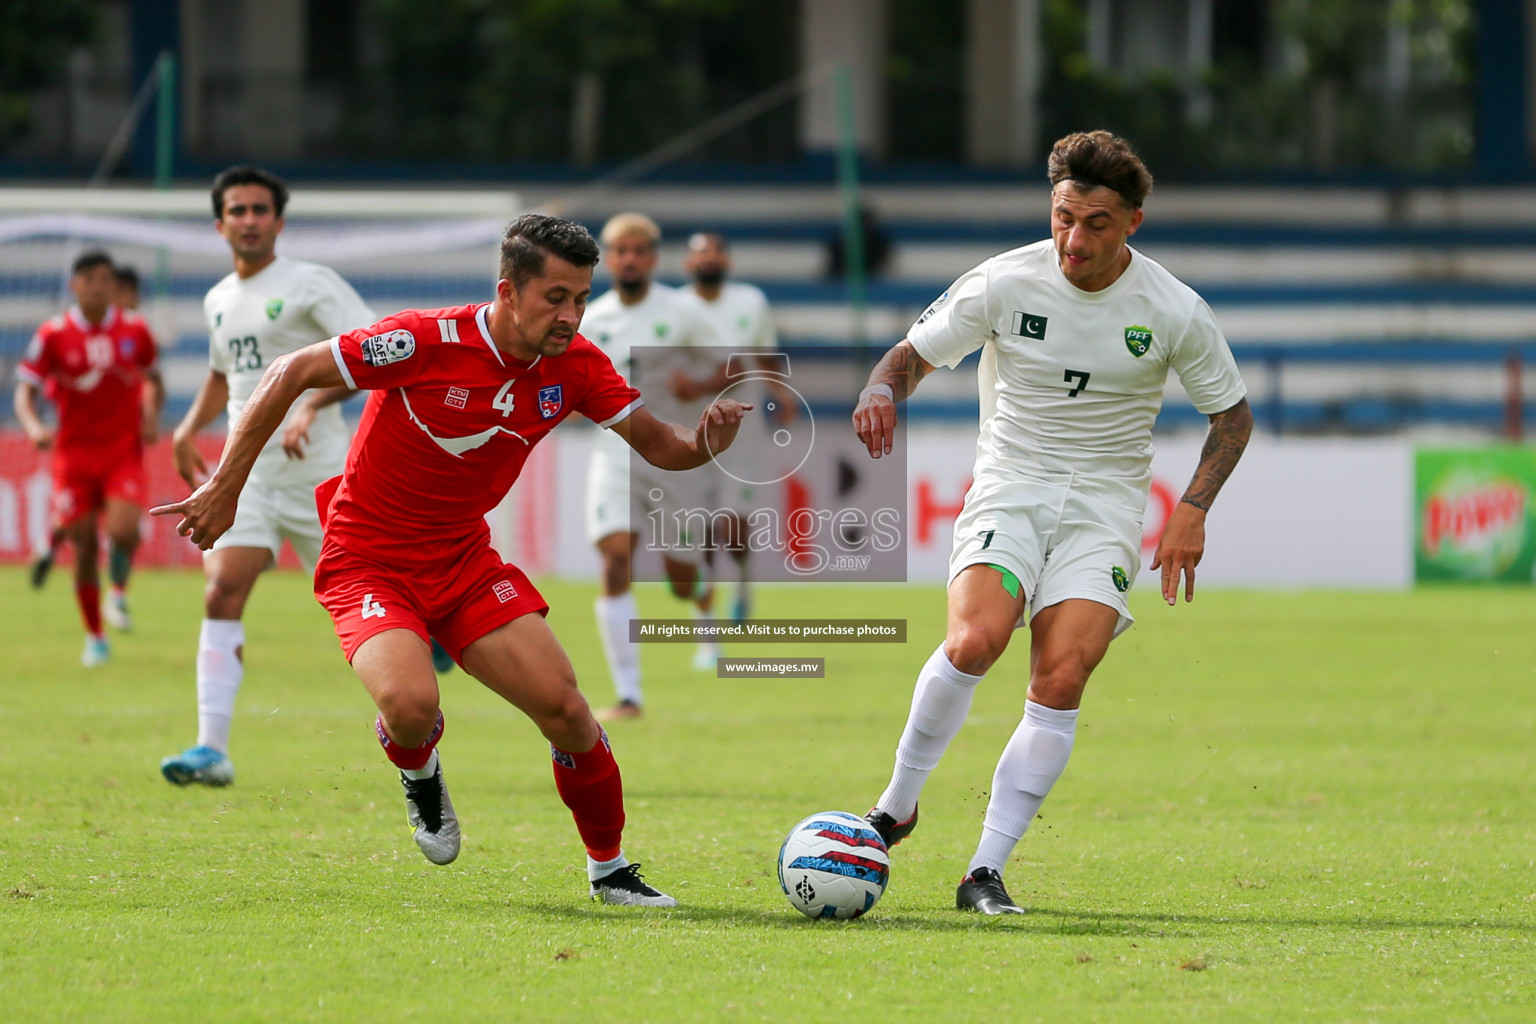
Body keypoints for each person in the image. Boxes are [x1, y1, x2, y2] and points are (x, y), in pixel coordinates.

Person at [152, 213, 751, 906]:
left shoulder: (577, 365)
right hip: (366, 558)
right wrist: (225, 486)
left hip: (463, 560)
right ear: (509, 290)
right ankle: (419, 770)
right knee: (410, 705)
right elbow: (291, 371)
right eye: (555, 297)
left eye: (582, 298)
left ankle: (610, 869)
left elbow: (662, 445)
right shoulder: (423, 339)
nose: (571, 315)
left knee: (566, 710)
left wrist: (705, 440)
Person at [852, 131, 1252, 915]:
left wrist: (1192, 510)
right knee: (974, 641)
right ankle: (896, 807)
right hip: (1011, 488)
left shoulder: (1174, 310)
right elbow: (909, 356)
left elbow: (1231, 418)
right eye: (1065, 216)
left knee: (1061, 677)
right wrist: (877, 392)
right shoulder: (1004, 281)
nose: (1075, 238)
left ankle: (985, 872)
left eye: (1097, 223)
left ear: (1133, 222)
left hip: (1104, 509)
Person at [158, 166, 379, 787]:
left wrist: (310, 402)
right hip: (247, 478)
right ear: (220, 223)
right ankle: (210, 748)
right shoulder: (218, 299)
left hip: (322, 475)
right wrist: (185, 429)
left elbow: (369, 354)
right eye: (238, 210)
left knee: (371, 600)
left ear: (278, 222)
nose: (249, 220)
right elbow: (221, 376)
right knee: (222, 588)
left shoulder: (311, 284)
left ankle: (429, 646)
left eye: (260, 210)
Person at [582, 213, 724, 719]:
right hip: (614, 454)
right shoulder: (593, 319)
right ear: (609, 258)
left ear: (653, 258)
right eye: (621, 251)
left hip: (671, 458)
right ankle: (629, 695)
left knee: (680, 578)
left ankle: (704, 607)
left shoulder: (682, 313)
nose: (631, 259)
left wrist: (700, 387)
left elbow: (732, 364)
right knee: (616, 557)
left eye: (640, 250)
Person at [16, 249, 164, 666]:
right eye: (90, 279)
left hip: (122, 452)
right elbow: (26, 390)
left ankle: (116, 592)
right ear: (75, 285)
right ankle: (95, 636)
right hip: (73, 457)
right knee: (82, 548)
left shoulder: (135, 329)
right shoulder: (52, 334)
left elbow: (153, 379)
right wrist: (32, 428)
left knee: (124, 531)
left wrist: (150, 415)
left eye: (106, 279)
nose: (99, 286)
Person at [681, 231, 785, 622]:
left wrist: (783, 396)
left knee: (732, 524)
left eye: (716, 252)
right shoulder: (674, 308)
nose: (709, 258)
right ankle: (706, 623)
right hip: (692, 429)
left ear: (727, 261)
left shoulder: (750, 301)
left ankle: (741, 584)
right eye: (700, 253)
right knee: (700, 525)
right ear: (688, 263)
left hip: (743, 427)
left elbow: (758, 358)